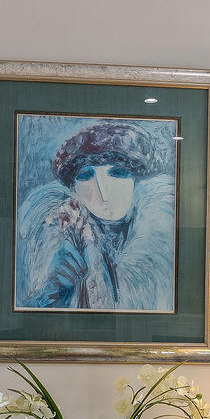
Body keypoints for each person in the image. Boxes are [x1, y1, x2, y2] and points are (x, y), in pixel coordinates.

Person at [16, 118, 176, 311]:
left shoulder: (163, 243)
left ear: (135, 180)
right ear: (73, 189)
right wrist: (57, 290)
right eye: (85, 175)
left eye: (118, 173)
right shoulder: (58, 242)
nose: (103, 191)